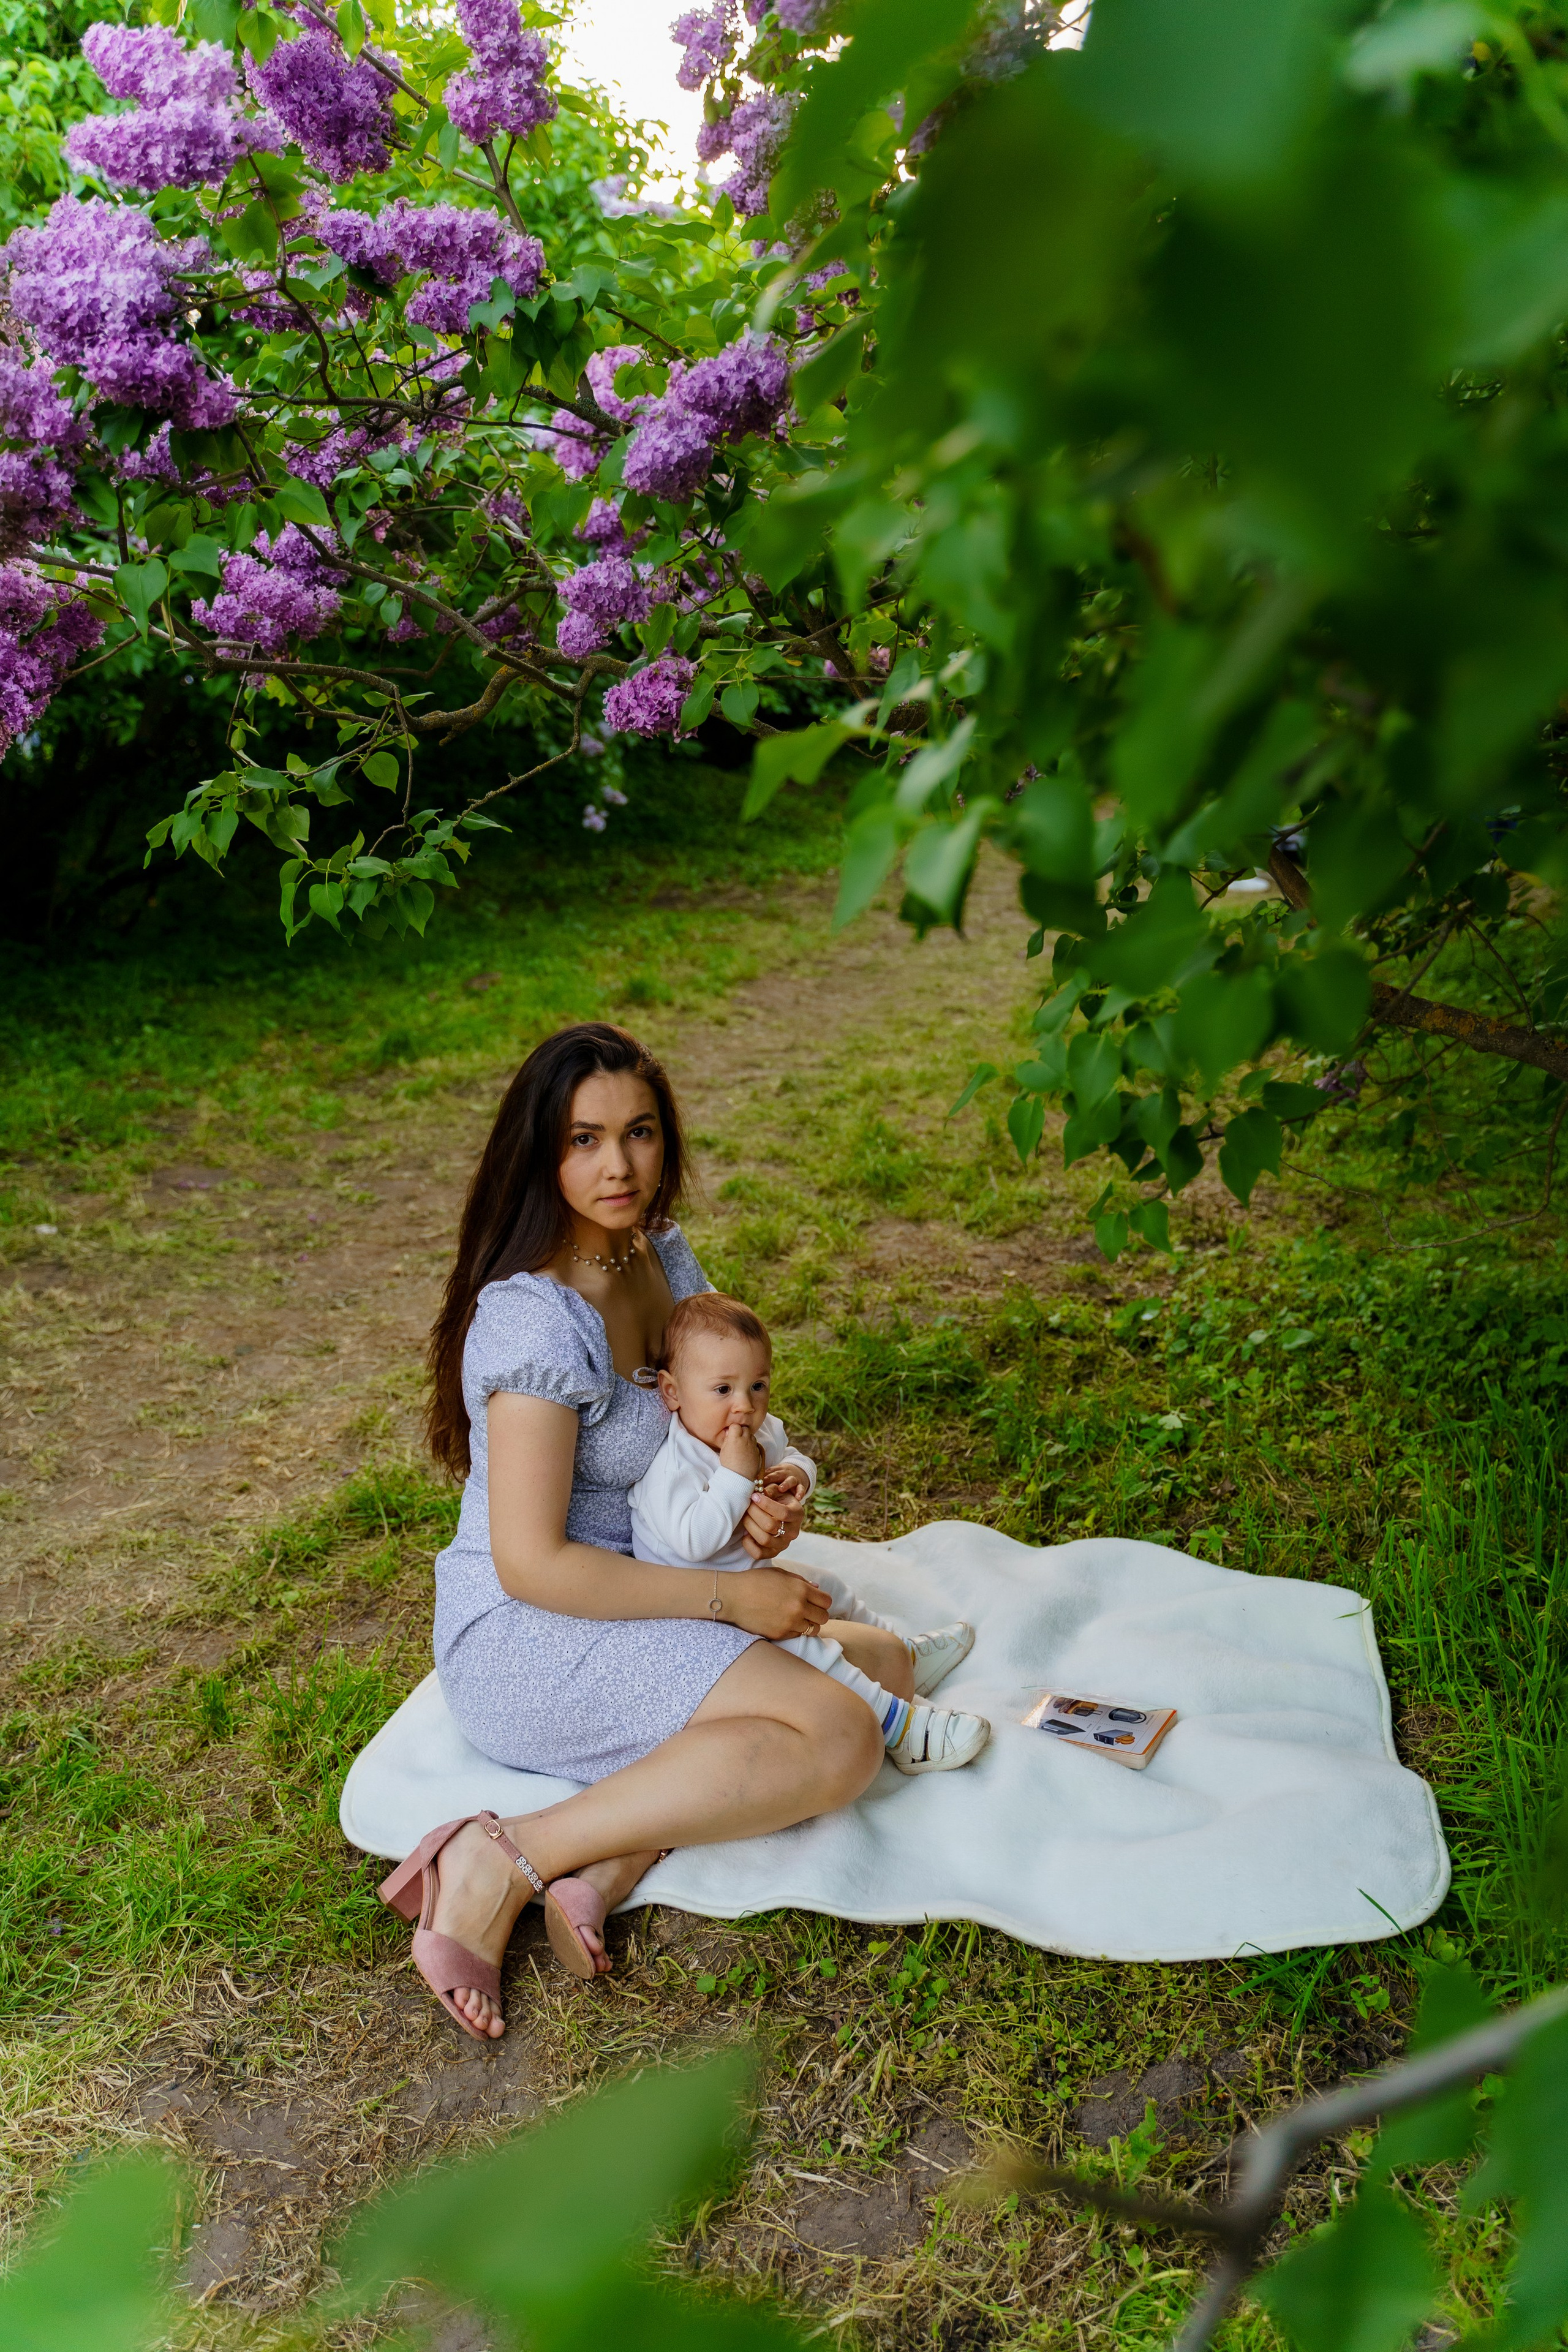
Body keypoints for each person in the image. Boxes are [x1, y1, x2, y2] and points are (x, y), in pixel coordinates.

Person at [391, 1022, 886, 2042]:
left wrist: (750, 1497)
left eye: (641, 1132)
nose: (618, 1165)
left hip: (654, 1573)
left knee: (884, 1666)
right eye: (583, 1140)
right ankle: (502, 1854)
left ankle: (615, 1860)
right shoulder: (533, 1325)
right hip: (532, 1629)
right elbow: (533, 1564)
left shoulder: (656, 1251)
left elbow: (701, 1425)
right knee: (843, 1732)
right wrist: (728, 1596)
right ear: (541, 1152)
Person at [628, 1288, 989, 1773]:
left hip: (748, 1579)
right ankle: (903, 1731)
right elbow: (694, 1541)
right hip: (693, 1616)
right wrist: (736, 1475)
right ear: (672, 1392)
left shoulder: (758, 1432)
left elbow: (795, 1455)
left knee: (826, 1587)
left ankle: (901, 1653)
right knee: (809, 1650)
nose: (744, 1406)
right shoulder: (672, 1468)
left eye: (758, 1386)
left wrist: (797, 1477)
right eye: (722, 1390)